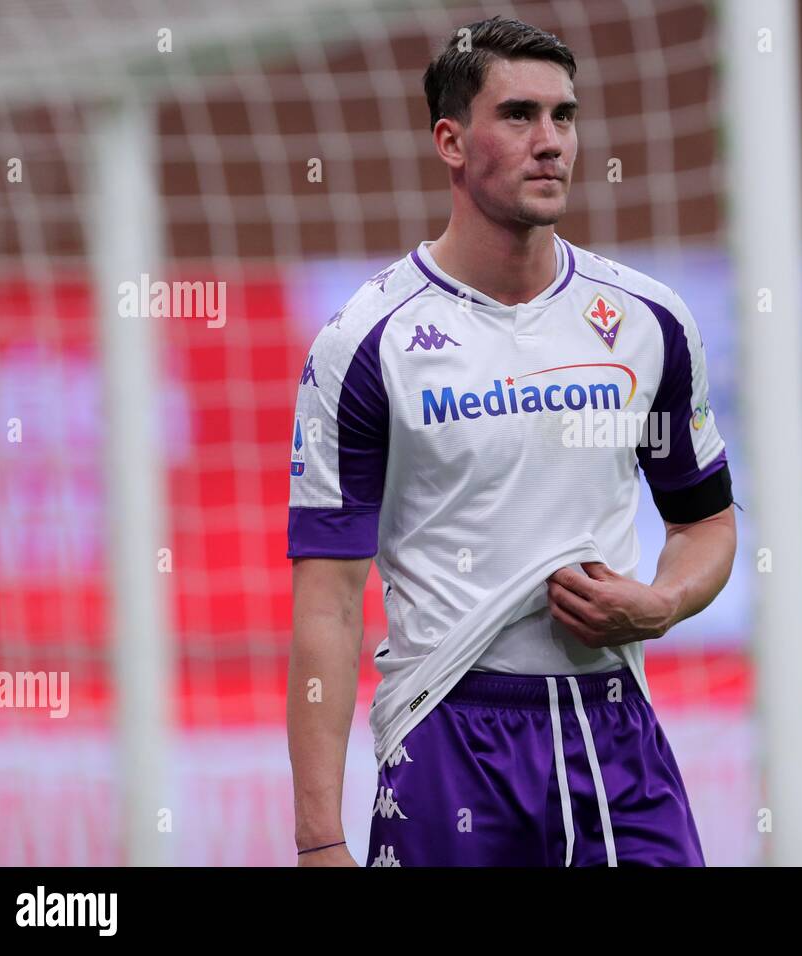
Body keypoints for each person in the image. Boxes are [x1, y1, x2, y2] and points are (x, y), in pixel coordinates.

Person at [287, 15, 735, 867]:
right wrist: (317, 840)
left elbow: (706, 522)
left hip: (614, 729)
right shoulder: (364, 343)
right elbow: (329, 604)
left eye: (564, 116)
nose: (551, 142)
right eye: (520, 115)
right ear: (451, 142)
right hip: (449, 734)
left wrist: (664, 601)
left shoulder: (649, 323)